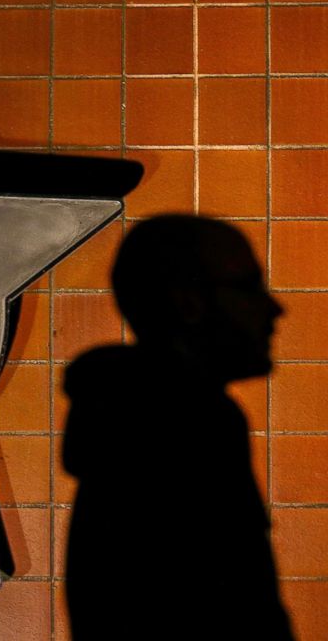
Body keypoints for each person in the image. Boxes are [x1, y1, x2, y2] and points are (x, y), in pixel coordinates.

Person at [62, 215, 294, 640]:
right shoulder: (189, 423)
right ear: (188, 301)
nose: (275, 308)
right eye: (248, 287)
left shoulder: (131, 420)